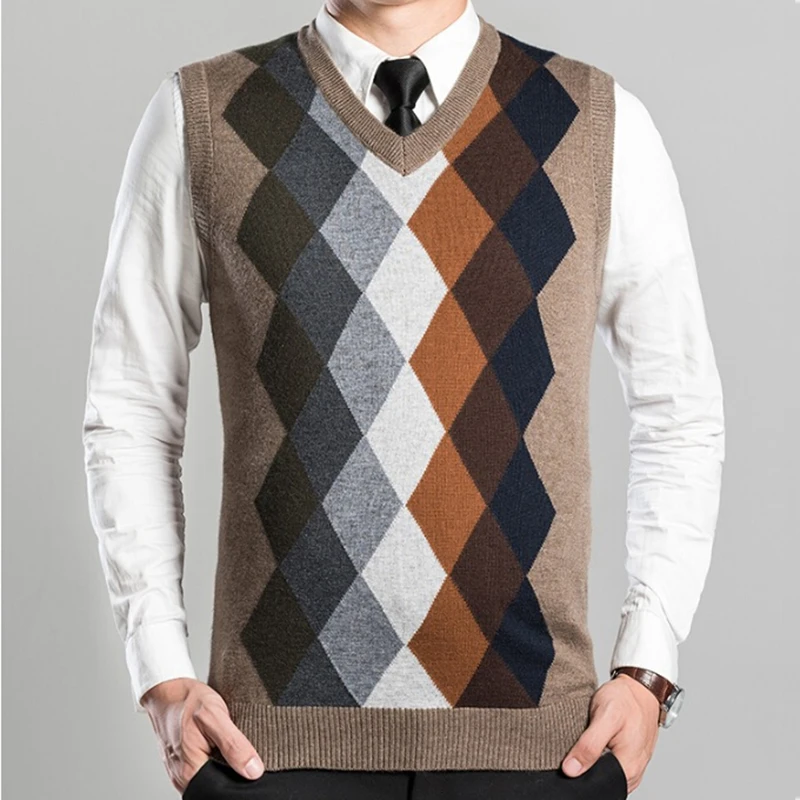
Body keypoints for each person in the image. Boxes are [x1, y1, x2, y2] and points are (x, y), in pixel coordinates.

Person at [82, 0, 725, 797]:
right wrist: (159, 672)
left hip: (540, 755)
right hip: (269, 755)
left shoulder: (592, 121)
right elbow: (130, 410)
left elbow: (678, 409)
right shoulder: (205, 115)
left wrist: (648, 667)